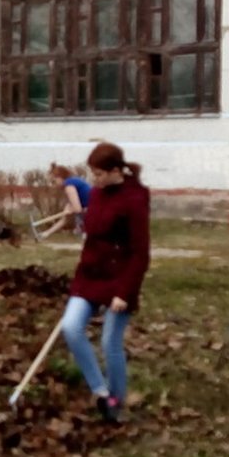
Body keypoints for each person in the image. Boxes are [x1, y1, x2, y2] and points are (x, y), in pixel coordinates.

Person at [59, 142, 151, 424]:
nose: (94, 180)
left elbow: (140, 253)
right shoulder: (97, 194)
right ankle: (101, 391)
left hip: (120, 280)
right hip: (90, 276)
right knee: (71, 328)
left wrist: (124, 292)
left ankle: (116, 401)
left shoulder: (135, 199)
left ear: (114, 171)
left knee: (110, 341)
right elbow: (92, 238)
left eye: (98, 174)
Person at [43, 164, 91, 238]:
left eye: (53, 181)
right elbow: (65, 219)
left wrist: (71, 209)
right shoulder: (72, 182)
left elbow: (78, 209)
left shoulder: (69, 186)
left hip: (99, 211)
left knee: (82, 227)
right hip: (93, 211)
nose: (53, 185)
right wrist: (47, 233)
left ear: (59, 178)